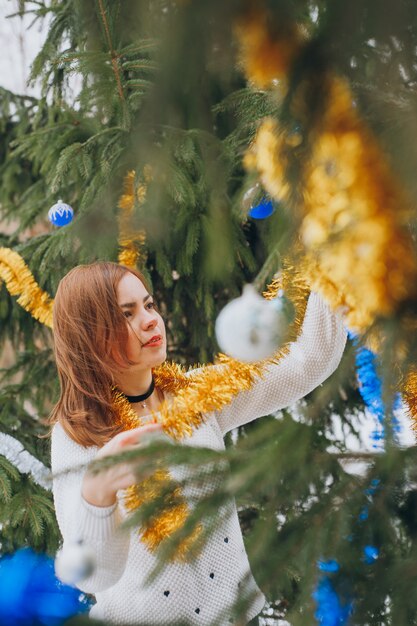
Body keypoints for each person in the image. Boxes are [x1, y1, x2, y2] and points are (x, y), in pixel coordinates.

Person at [50, 261, 347, 626]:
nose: (149, 320)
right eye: (127, 314)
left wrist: (333, 264)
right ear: (90, 335)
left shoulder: (196, 395)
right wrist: (98, 492)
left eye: (149, 305)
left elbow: (309, 361)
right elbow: (93, 576)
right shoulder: (77, 434)